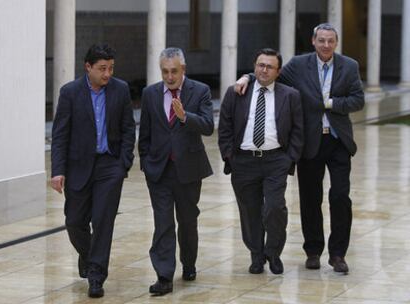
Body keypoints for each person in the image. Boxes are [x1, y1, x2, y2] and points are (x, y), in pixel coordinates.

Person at [235, 23, 365, 273]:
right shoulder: (298, 64)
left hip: (338, 141)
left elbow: (358, 99)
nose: (326, 45)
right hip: (310, 142)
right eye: (322, 40)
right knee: (310, 198)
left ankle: (338, 254)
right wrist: (247, 77)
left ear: (336, 43)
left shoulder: (349, 66)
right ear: (313, 41)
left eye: (331, 41)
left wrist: (329, 103)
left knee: (340, 197)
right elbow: (270, 73)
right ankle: (313, 251)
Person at [51, 44, 136, 298]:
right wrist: (58, 170)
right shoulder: (70, 93)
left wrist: (124, 163)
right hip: (78, 167)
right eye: (102, 69)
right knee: (75, 222)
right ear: (88, 67)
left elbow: (128, 129)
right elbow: (60, 135)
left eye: (110, 68)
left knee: (102, 221)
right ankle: (88, 256)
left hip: (110, 166)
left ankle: (96, 275)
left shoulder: (120, 90)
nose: (107, 74)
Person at [219, 48, 303, 275]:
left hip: (275, 160)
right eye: (260, 65)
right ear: (255, 67)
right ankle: (256, 255)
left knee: (275, 208)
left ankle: (273, 253)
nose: (264, 70)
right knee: (250, 212)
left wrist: (289, 158)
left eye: (269, 66)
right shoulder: (236, 92)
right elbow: (224, 126)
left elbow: (298, 130)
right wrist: (230, 156)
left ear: (278, 71)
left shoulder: (290, 95)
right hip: (244, 161)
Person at [138, 47, 213, 296]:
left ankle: (189, 262)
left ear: (184, 70)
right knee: (163, 223)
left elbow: (208, 127)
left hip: (189, 170)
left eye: (174, 71)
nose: (169, 77)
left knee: (187, 221)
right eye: (165, 71)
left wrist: (185, 117)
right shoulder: (150, 94)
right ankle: (164, 275)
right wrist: (146, 165)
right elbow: (145, 133)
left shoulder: (200, 91)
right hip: (159, 171)